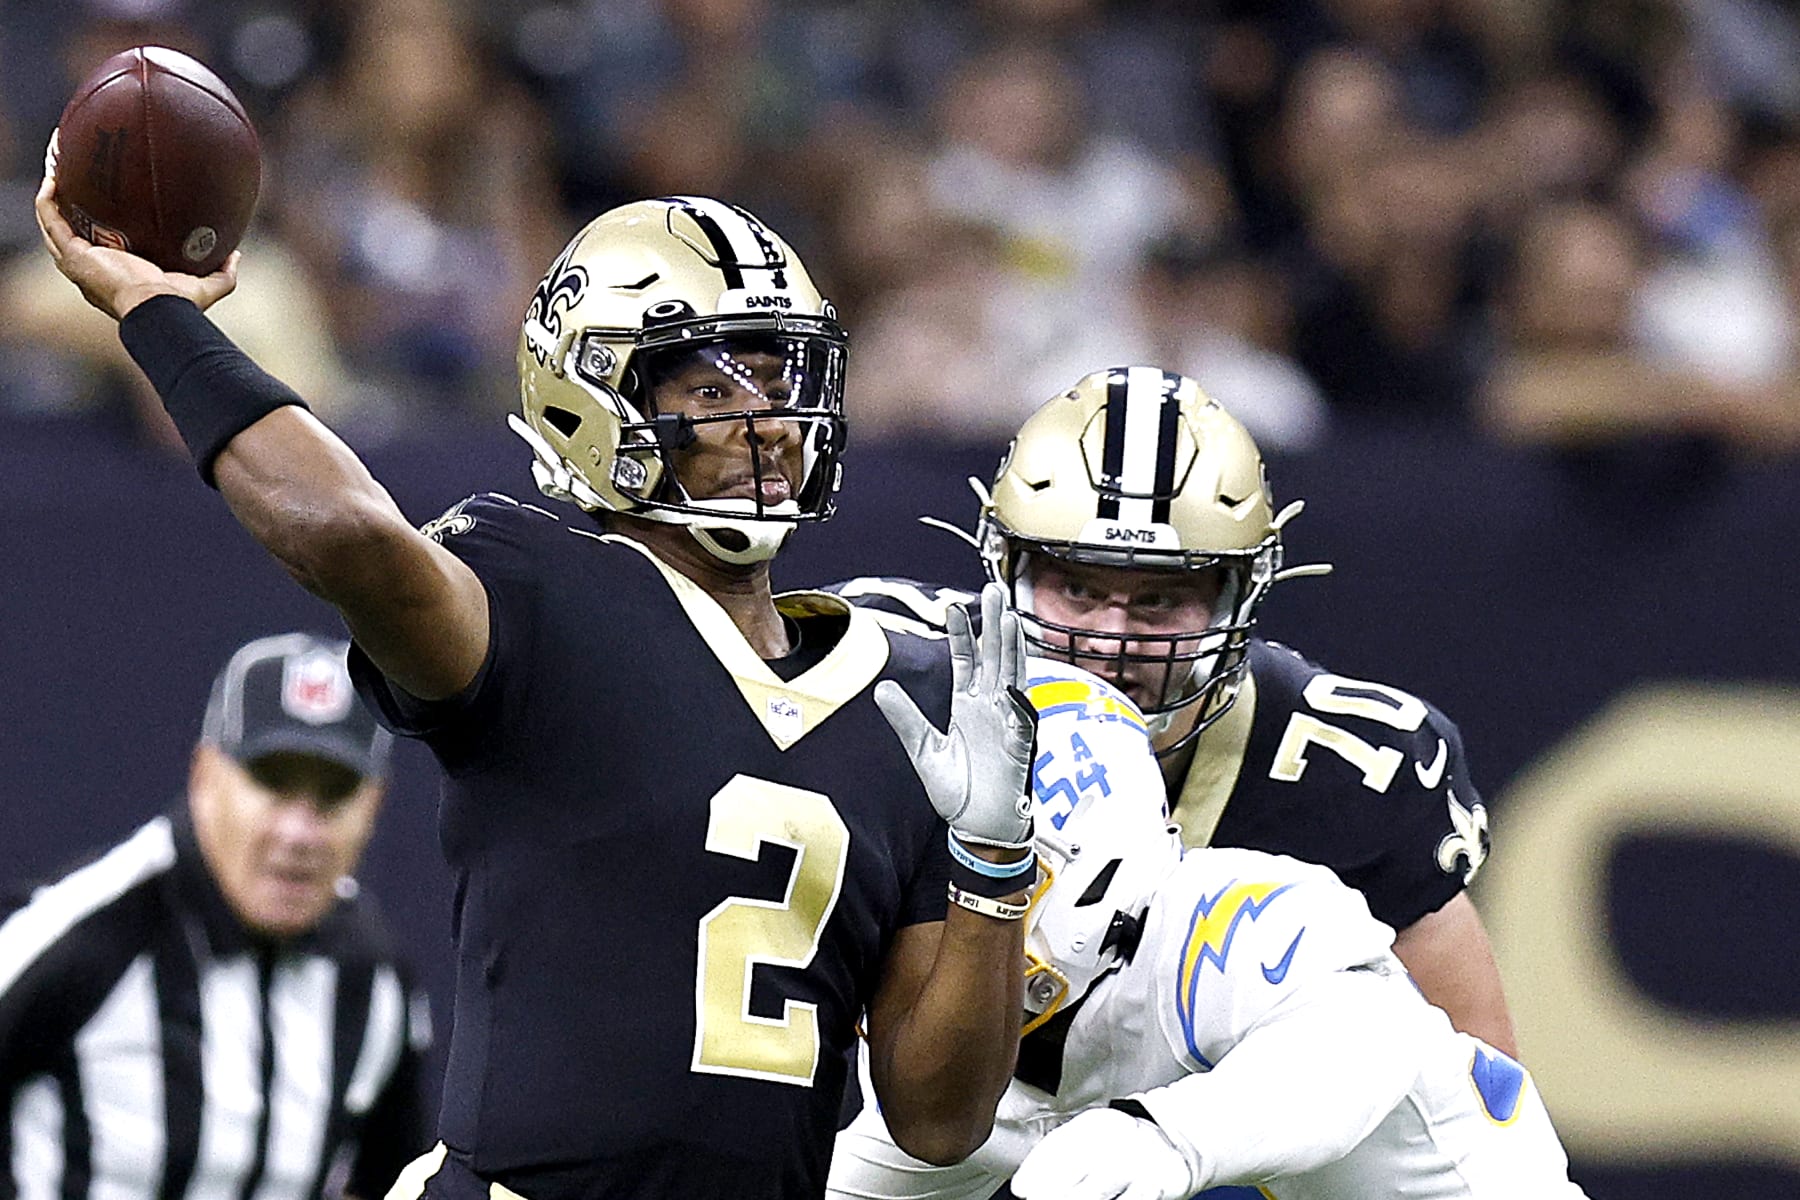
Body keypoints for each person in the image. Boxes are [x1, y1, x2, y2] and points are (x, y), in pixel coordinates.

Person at [36, 177, 1038, 1200]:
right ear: (591, 398)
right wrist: (156, 317)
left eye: (780, 377)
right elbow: (344, 533)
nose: (767, 421)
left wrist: (995, 868)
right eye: (712, 389)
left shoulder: (910, 693)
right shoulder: (539, 587)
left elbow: (940, 1118)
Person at [832, 365, 1516, 1057]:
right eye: (1075, 587)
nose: (1109, 639)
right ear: (1006, 570)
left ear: (1239, 599)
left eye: (1159, 601)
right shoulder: (893, 679)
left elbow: (1475, 1096)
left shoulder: (1351, 769)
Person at [828, 663, 1590, 1200]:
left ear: (1087, 866)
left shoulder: (1226, 921)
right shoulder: (978, 1058)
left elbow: (1361, 1039)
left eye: (974, 879)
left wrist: (1167, 1137)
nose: (924, 925)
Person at [0, 632, 430, 1200]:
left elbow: (393, 1178)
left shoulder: (373, 978)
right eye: (272, 783)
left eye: (333, 793)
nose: (299, 833)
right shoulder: (87, 931)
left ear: (372, 805)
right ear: (205, 777)